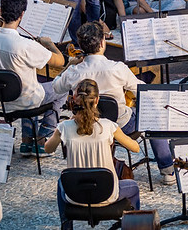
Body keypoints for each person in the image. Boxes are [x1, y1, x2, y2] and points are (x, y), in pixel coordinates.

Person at [52, 22, 175, 184]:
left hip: (84, 124)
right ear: (102, 43)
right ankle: (167, 169)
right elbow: (143, 91)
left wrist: (70, 65)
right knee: (152, 114)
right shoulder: (117, 68)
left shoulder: (74, 72)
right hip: (122, 125)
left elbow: (56, 87)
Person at [44, 79, 141, 229]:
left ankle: (66, 225)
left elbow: (47, 149)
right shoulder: (108, 126)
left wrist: (63, 130)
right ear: (97, 100)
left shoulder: (64, 127)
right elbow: (135, 148)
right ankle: (134, 226)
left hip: (74, 197)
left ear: (75, 100)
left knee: (61, 182)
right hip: (108, 195)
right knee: (133, 187)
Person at [0, 0, 65, 153]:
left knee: (30, 84)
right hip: (24, 101)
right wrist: (49, 44)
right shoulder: (25, 45)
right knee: (63, 86)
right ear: (22, 14)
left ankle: (27, 141)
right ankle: (43, 138)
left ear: (0, 12)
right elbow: (60, 61)